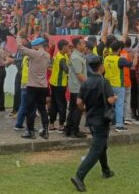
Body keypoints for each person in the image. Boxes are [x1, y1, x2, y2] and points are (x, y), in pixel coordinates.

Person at [70, 55, 116, 192]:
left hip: (90, 120)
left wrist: (84, 110)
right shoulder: (104, 82)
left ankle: (106, 170)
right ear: (101, 67)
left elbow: (79, 102)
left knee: (102, 145)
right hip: (102, 120)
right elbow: (110, 100)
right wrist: (115, 97)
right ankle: (79, 176)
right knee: (96, 149)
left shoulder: (85, 83)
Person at [18, 35, 51, 140]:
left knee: (30, 109)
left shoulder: (34, 54)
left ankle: (30, 131)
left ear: (36, 46)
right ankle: (45, 130)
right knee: (42, 109)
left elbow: (20, 47)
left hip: (32, 86)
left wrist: (18, 36)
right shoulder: (47, 55)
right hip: (43, 86)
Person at [65, 37, 87, 138]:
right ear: (78, 45)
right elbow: (79, 75)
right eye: (83, 43)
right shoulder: (76, 57)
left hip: (77, 86)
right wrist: (90, 84)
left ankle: (68, 129)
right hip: (78, 87)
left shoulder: (78, 56)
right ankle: (74, 130)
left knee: (74, 109)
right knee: (78, 109)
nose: (85, 45)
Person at [48, 39, 70, 132]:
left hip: (53, 83)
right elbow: (66, 70)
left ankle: (51, 124)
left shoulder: (59, 55)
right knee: (62, 104)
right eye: (67, 46)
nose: (69, 48)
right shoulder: (62, 58)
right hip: (60, 84)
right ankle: (61, 125)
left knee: (54, 104)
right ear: (64, 47)